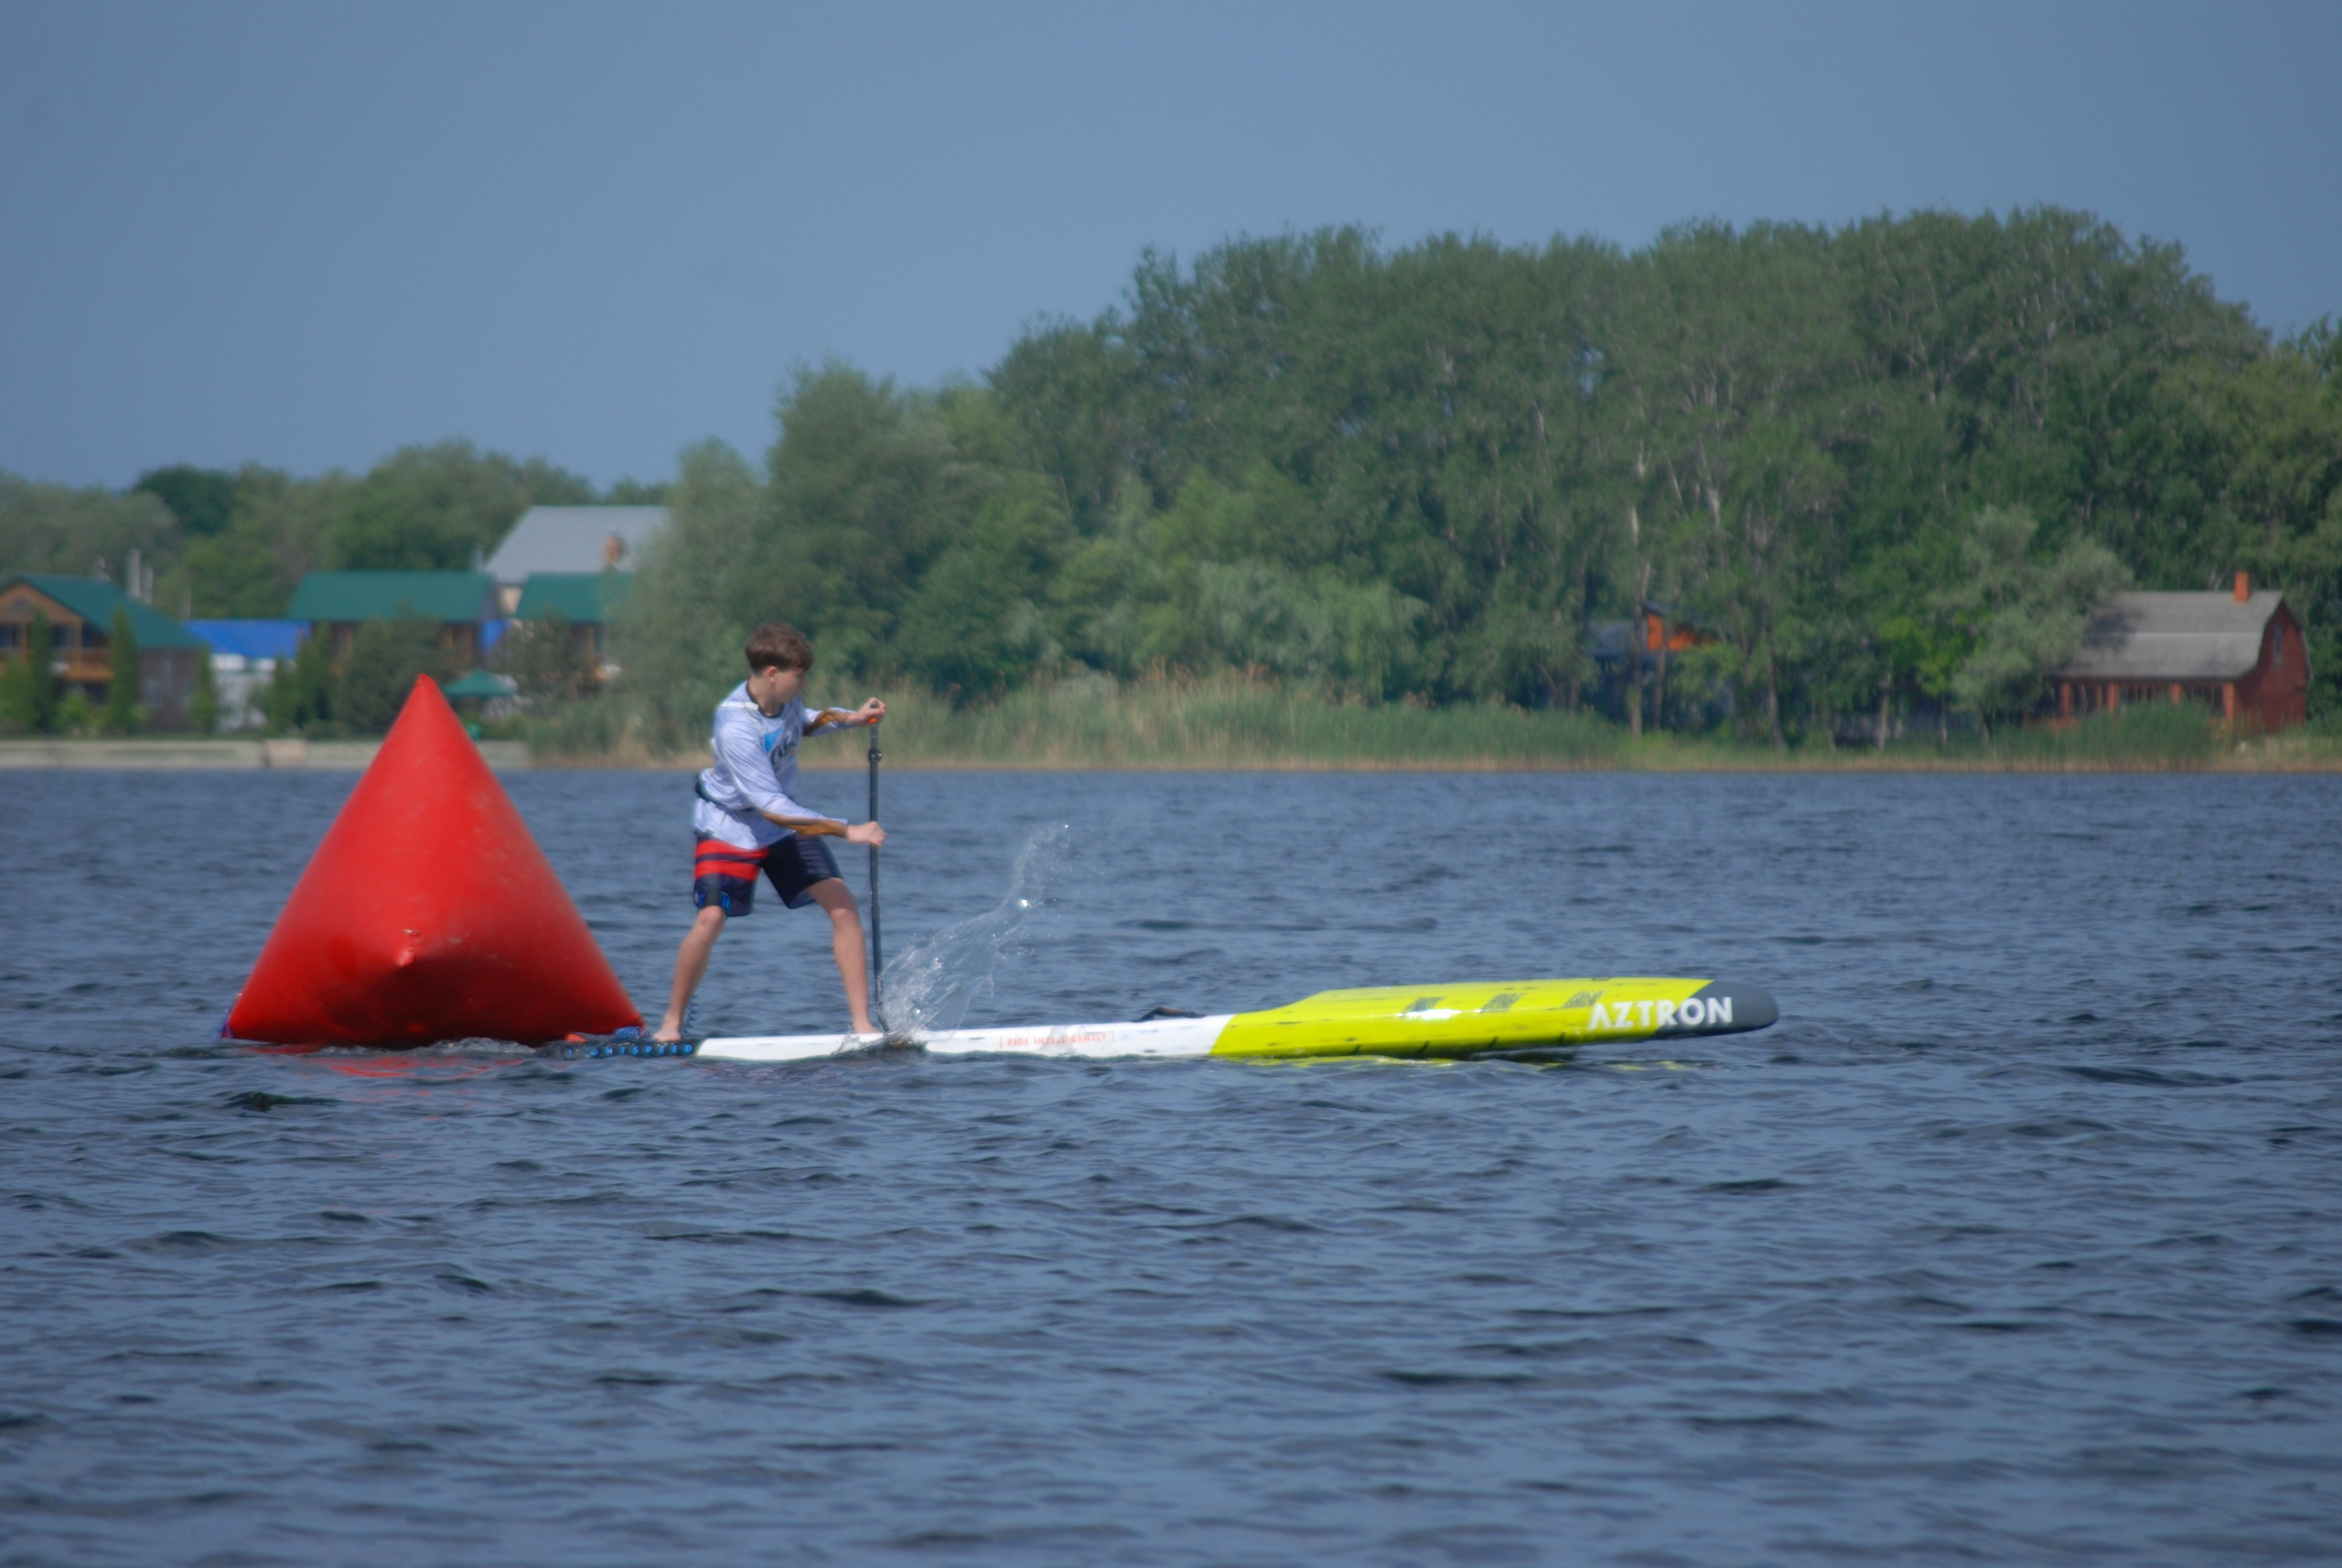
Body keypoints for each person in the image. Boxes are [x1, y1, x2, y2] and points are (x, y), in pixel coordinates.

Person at [652, 622, 886, 1041]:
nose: (804, 683)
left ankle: (863, 1026)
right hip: (731, 826)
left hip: (780, 824)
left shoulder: (786, 699)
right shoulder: (735, 726)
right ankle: (670, 1024)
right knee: (709, 919)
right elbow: (773, 808)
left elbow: (807, 722)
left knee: (843, 906)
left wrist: (853, 719)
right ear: (773, 673)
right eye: (800, 675)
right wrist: (847, 831)